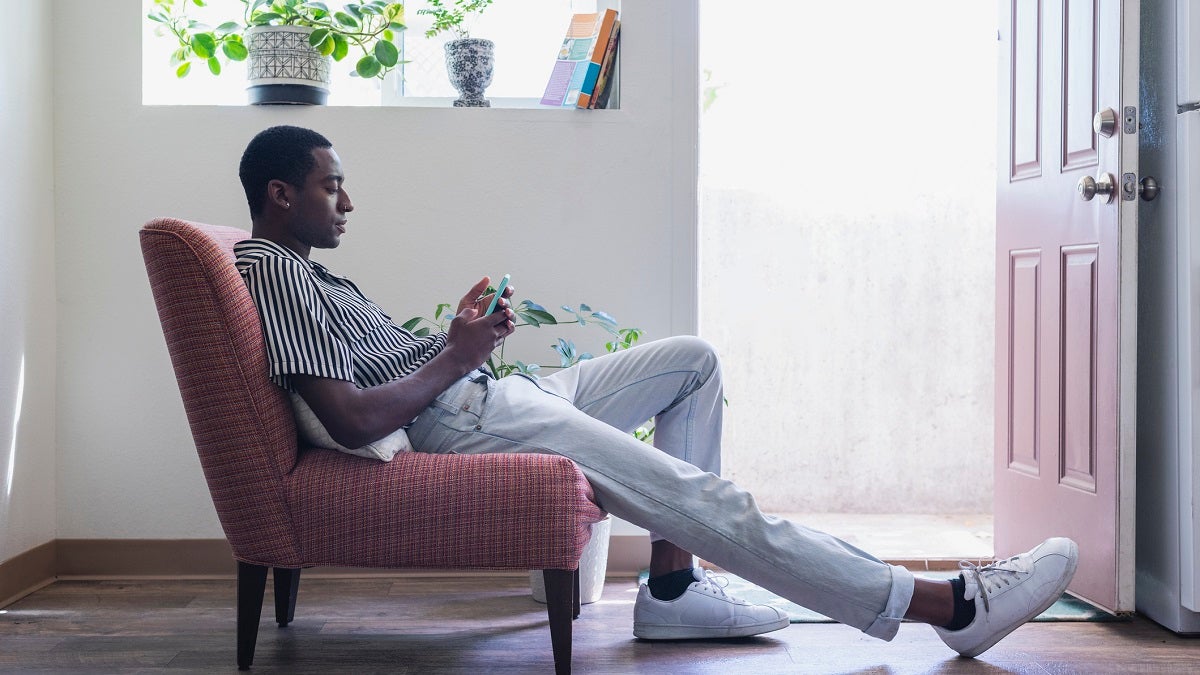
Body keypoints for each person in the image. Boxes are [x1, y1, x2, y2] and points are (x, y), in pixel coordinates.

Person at [233, 125, 1078, 657]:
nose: (348, 199)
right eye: (329, 183)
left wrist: (464, 336)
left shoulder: (308, 270)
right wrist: (455, 357)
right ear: (280, 193)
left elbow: (381, 371)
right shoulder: (271, 268)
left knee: (691, 360)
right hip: (465, 416)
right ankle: (943, 603)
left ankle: (672, 591)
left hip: (484, 388)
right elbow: (347, 420)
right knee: (698, 496)